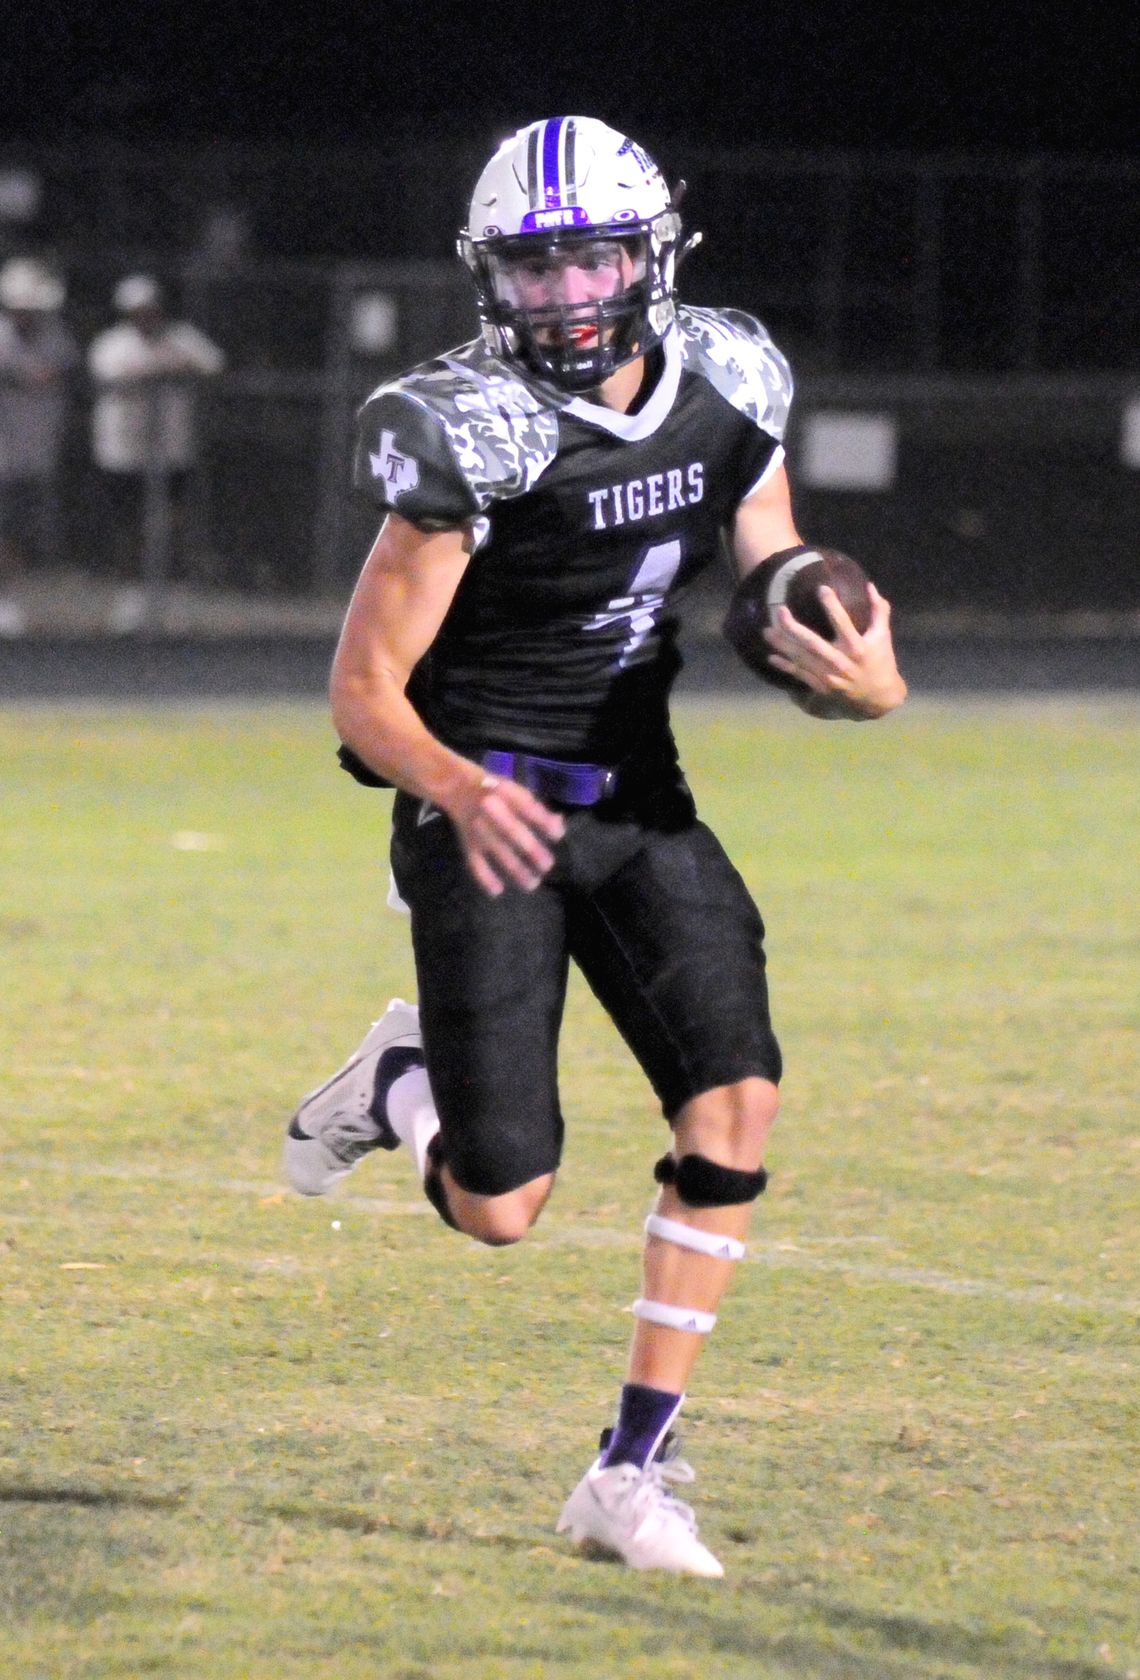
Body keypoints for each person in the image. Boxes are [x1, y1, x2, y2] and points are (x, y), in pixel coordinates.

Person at [283, 116, 906, 1576]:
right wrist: (456, 783)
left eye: (594, 258)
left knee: (735, 1101)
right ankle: (401, 1079)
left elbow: (775, 575)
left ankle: (633, 1468)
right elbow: (362, 695)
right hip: (482, 810)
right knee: (502, 1207)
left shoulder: (732, 379)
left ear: (655, 253)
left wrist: (865, 680)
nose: (566, 294)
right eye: (536, 265)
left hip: (636, 796)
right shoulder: (473, 430)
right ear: (491, 276)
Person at [87, 274, 224, 625]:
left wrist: (167, 369)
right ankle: (131, 600)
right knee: (129, 527)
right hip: (124, 450)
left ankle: (171, 598)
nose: (145, 317)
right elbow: (112, 374)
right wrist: (162, 371)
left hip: (172, 449)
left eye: (150, 310)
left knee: (171, 525)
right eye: (138, 311)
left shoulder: (181, 338)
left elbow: (213, 365)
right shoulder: (112, 344)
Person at [0, 257, 78, 634]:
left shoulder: (54, 335)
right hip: (4, 451)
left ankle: (12, 598)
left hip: (38, 450)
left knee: (25, 531)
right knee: (4, 527)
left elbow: (55, 371)